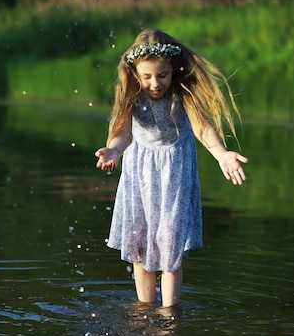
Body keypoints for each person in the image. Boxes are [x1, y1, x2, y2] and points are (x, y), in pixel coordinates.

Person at [95, 29, 248, 307]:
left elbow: (203, 129)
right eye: (147, 76)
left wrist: (222, 154)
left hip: (174, 175)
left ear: (173, 70)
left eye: (162, 75)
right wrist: (113, 150)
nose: (155, 83)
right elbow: (123, 133)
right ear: (135, 73)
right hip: (139, 174)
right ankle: (144, 310)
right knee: (139, 246)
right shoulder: (132, 95)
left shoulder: (182, 93)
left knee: (170, 247)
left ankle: (169, 315)